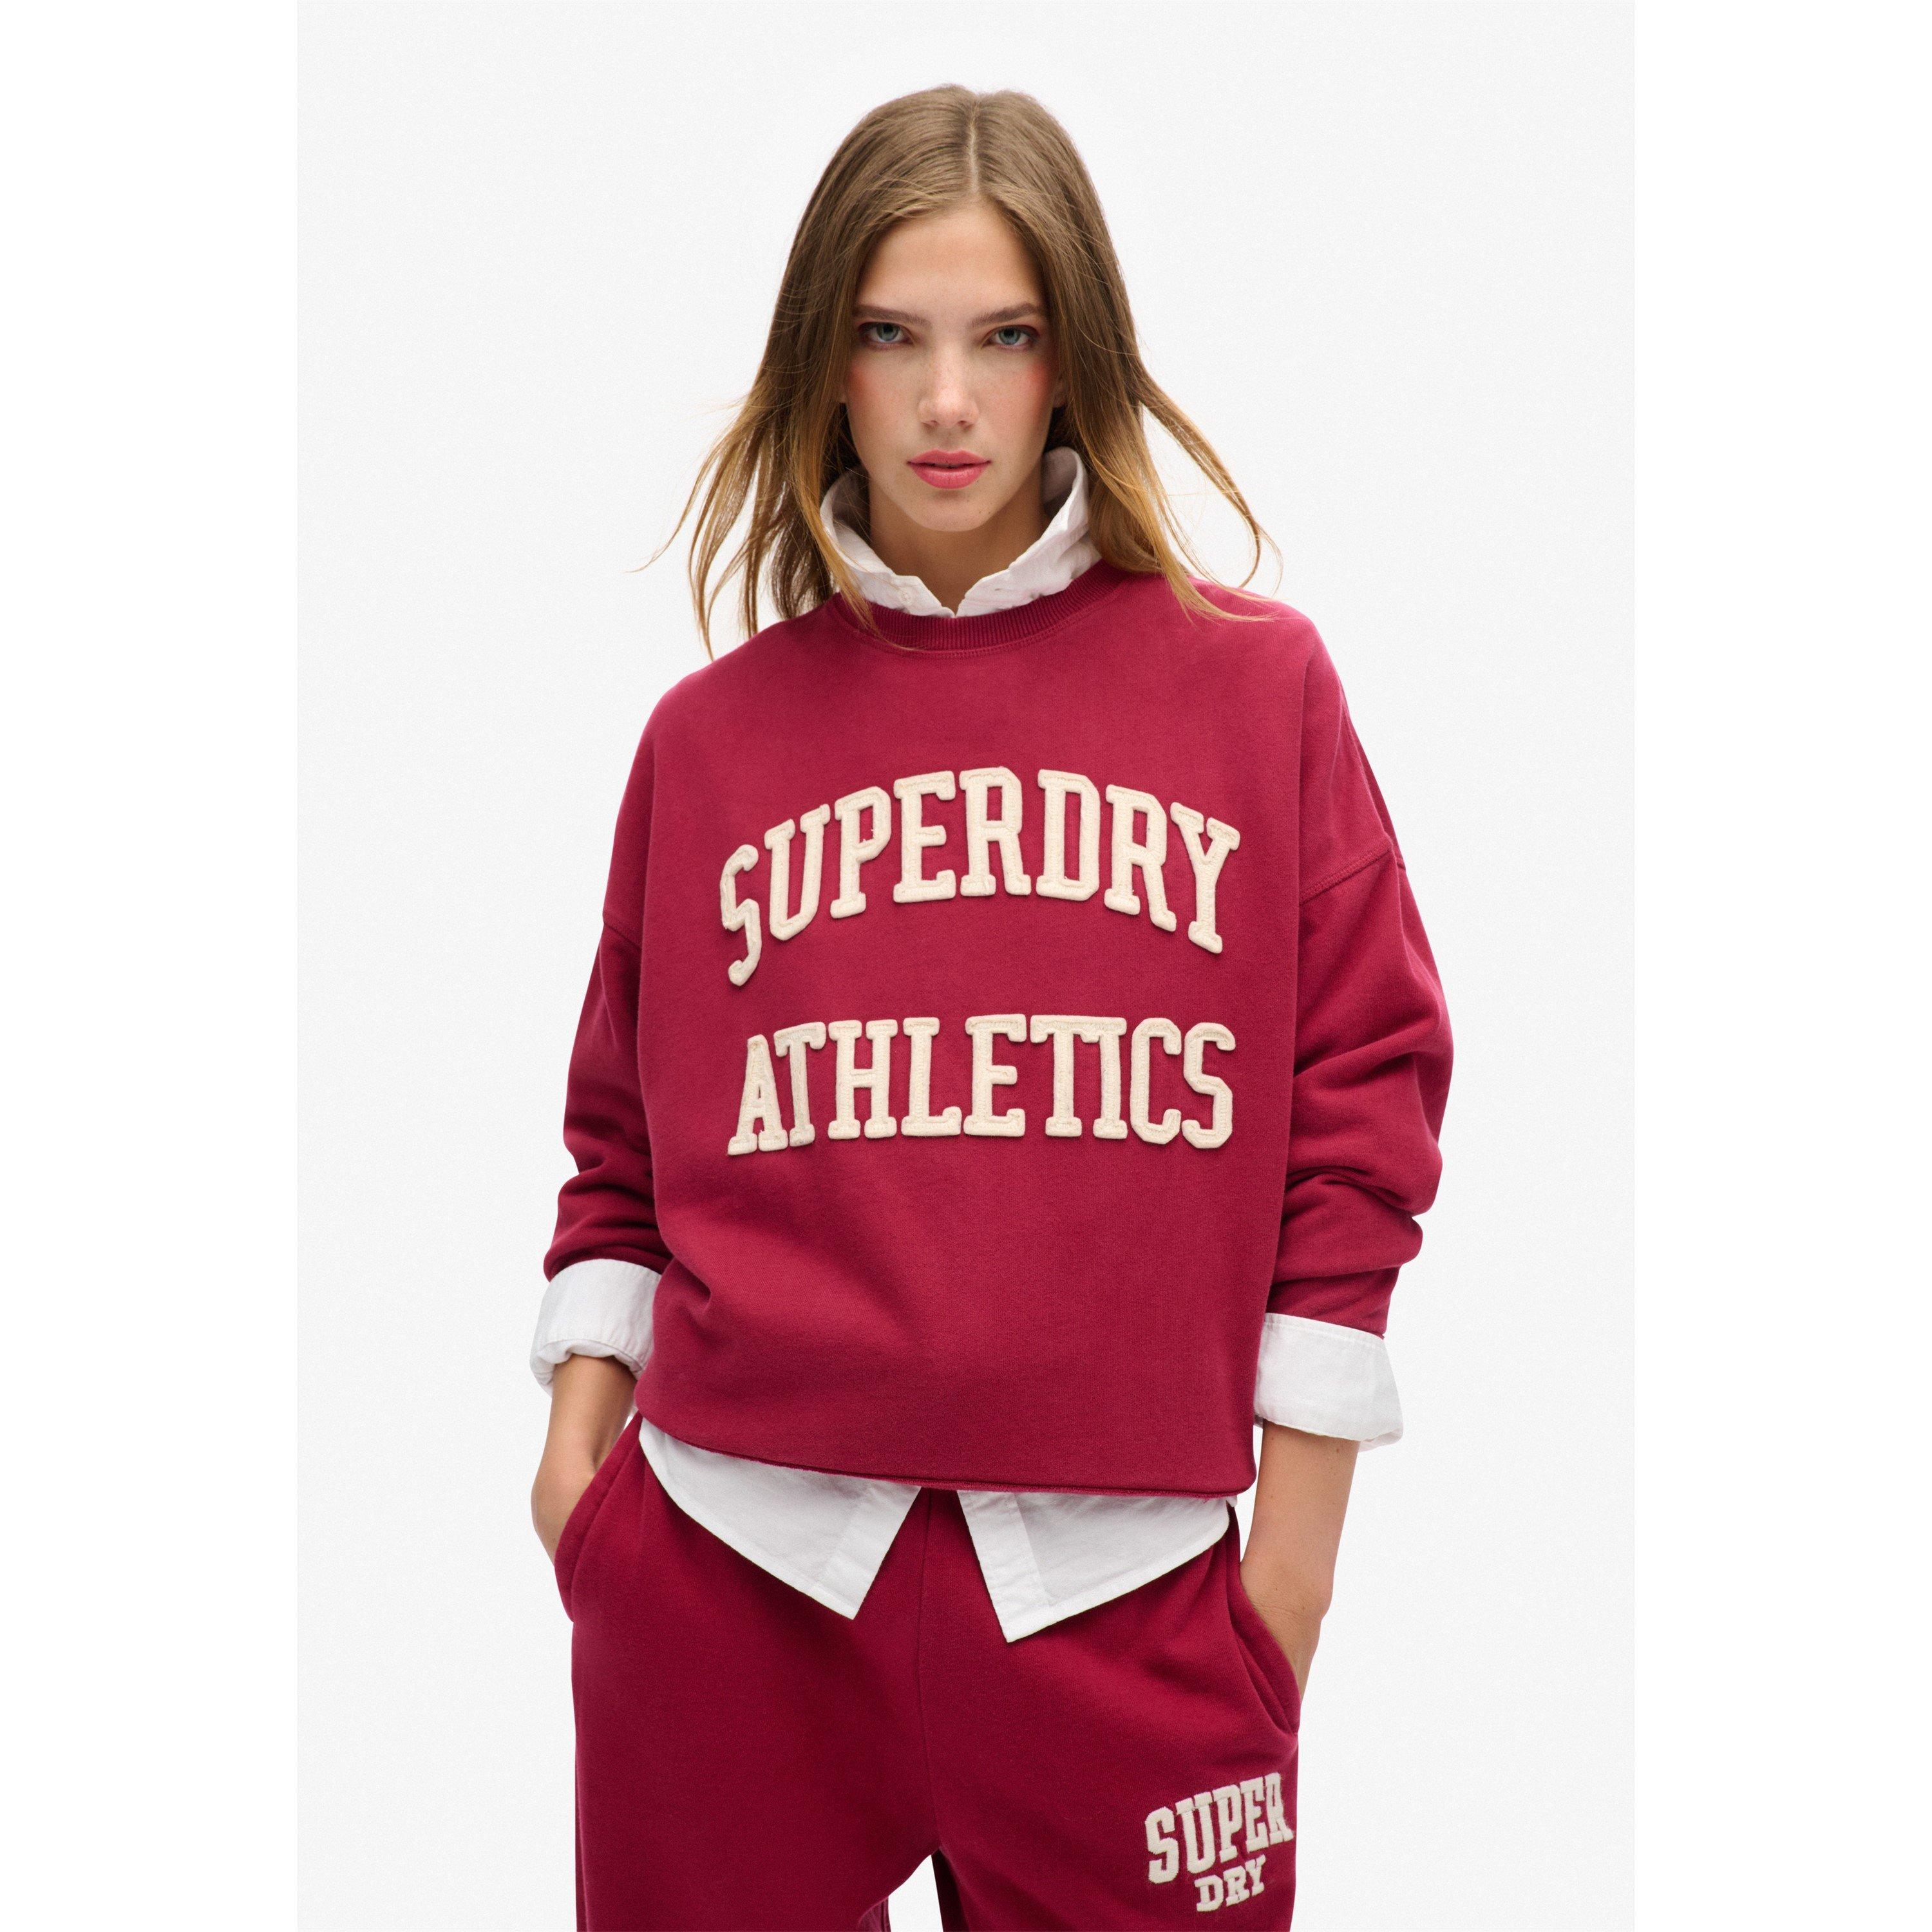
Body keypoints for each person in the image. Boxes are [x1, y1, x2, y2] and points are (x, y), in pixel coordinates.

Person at [527, 85, 1451, 1932]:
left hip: (1126, 1603)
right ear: (826, 366)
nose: (947, 400)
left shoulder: (1257, 693)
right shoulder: (707, 743)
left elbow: (1364, 1098)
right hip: (732, 1580)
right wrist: (583, 1476)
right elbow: (625, 1136)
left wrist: (1292, 1570)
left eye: (1003, 337)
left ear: (1070, 362)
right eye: (892, 336)